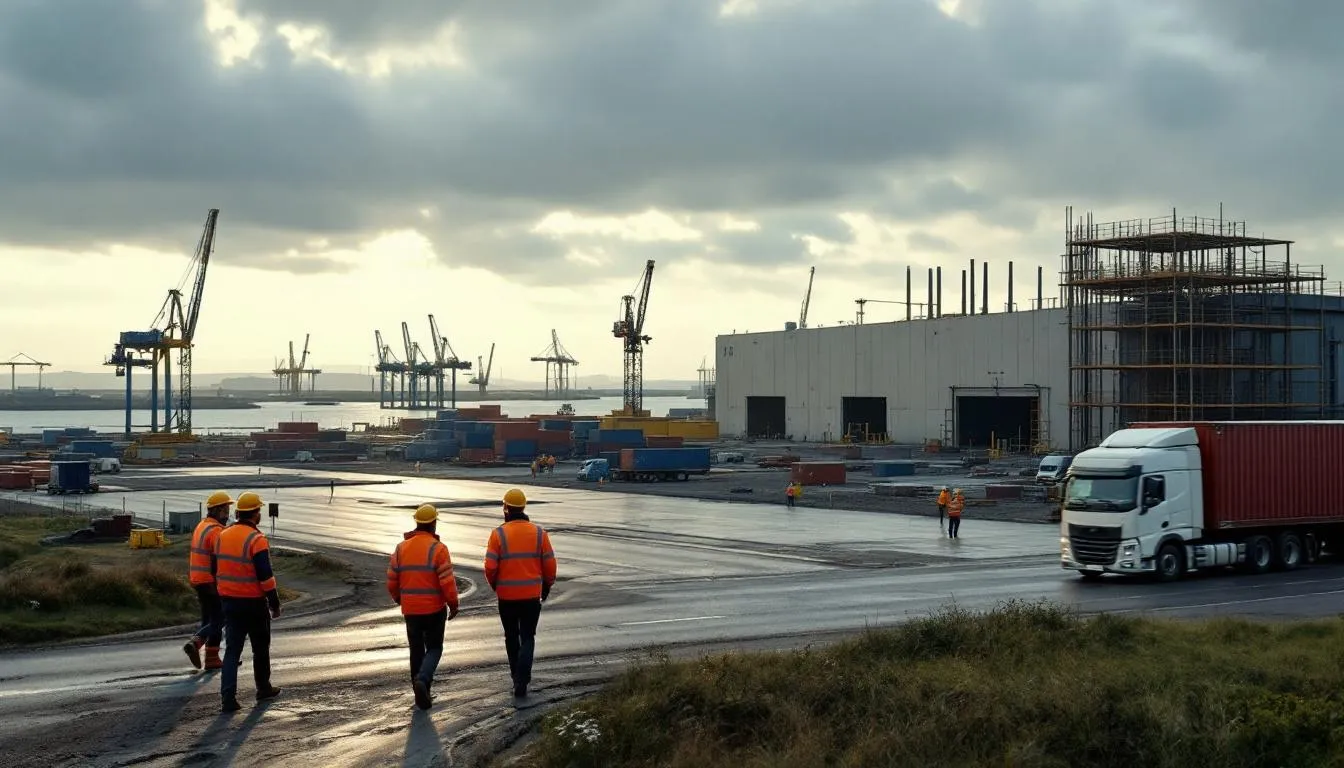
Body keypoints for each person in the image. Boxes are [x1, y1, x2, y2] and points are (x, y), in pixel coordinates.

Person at [484, 488, 557, 698]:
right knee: (528, 637)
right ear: (523, 507)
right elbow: (550, 566)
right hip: (531, 596)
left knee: (511, 637)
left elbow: (490, 567)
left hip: (506, 597)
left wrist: (495, 585)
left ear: (505, 508)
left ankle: (516, 675)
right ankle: (522, 679)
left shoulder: (498, 534)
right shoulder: (539, 533)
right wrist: (546, 586)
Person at [213, 491, 282, 712]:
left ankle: (228, 699)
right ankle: (263, 688)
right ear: (255, 514)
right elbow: (266, 576)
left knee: (232, 651)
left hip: (230, 602)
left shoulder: (223, 535)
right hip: (253, 603)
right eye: (259, 511)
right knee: (260, 648)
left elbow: (217, 567)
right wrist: (274, 603)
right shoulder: (256, 539)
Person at [387, 503, 460, 710]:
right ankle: (423, 680)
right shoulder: (439, 549)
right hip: (434, 609)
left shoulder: (401, 548)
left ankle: (419, 691)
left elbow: (392, 581)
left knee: (416, 650)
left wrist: (399, 599)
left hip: (411, 610)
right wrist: (453, 605)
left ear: (417, 523)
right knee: (434, 648)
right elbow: (447, 582)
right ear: (433, 524)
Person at [183, 491, 232, 671]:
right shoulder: (217, 532)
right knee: (220, 619)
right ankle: (196, 644)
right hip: (211, 582)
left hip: (197, 579)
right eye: (226, 509)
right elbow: (218, 560)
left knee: (208, 619)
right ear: (218, 510)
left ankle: (212, 658)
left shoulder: (202, 526)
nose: (228, 514)